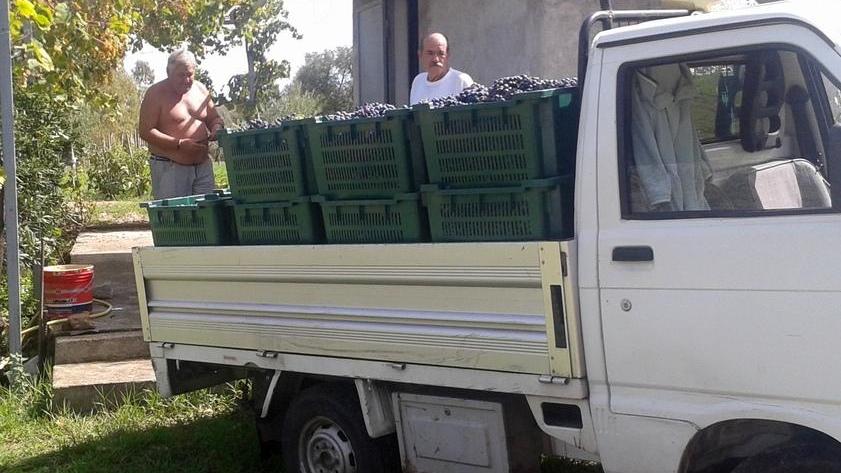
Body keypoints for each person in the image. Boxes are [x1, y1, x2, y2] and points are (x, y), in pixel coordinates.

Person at [139, 49, 224, 199]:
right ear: (168, 72)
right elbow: (146, 131)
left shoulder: (200, 89)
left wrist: (216, 128)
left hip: (203, 166)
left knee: (207, 216)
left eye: (190, 74)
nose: (186, 80)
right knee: (176, 219)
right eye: (181, 75)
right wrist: (178, 144)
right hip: (170, 167)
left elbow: (214, 118)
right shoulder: (155, 94)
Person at [410, 33, 474, 105]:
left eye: (441, 53)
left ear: (448, 55)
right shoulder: (418, 81)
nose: (435, 59)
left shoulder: (461, 81)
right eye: (430, 53)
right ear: (420, 55)